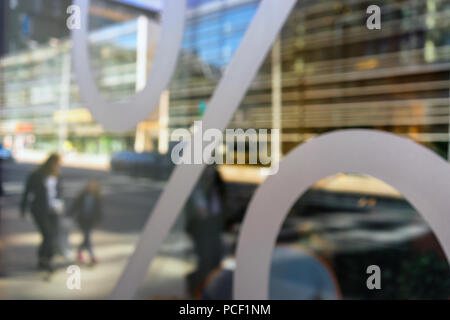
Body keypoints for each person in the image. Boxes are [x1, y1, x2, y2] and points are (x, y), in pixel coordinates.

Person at [185, 166, 226, 297]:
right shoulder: (197, 178)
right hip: (202, 225)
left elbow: (222, 197)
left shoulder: (216, 176)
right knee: (205, 260)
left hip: (214, 223)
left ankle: (208, 290)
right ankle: (198, 291)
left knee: (215, 258)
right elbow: (196, 199)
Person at [20, 153, 63, 272]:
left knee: (53, 235)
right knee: (47, 234)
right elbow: (27, 192)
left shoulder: (57, 175)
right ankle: (44, 259)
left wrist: (60, 204)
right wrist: (22, 209)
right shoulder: (36, 175)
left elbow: (59, 192)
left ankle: (46, 258)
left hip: (54, 210)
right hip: (39, 210)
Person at [68, 180, 102, 265]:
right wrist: (69, 214)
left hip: (90, 220)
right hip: (82, 220)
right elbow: (75, 206)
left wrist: (99, 219)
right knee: (87, 238)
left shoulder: (97, 198)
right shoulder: (83, 196)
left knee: (86, 238)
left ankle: (80, 253)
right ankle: (92, 256)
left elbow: (98, 210)